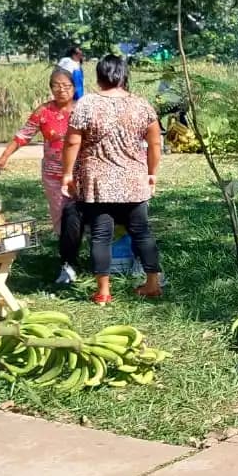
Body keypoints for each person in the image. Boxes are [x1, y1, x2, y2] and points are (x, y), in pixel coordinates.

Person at [60, 55, 163, 305]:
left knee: (101, 235)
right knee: (142, 233)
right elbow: (155, 142)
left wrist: (67, 174)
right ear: (124, 76)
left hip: (98, 182)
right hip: (134, 181)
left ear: (99, 77)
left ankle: (104, 292)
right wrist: (151, 173)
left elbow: (73, 141)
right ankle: (152, 284)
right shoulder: (141, 105)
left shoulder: (87, 104)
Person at [0, 69, 76, 274]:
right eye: (56, 85)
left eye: (66, 86)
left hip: (80, 175)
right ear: (50, 88)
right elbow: (23, 136)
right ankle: (67, 263)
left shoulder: (83, 109)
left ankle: (90, 257)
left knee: (85, 217)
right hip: (54, 177)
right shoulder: (43, 111)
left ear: (74, 88)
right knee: (60, 219)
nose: (61, 90)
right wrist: (4, 157)